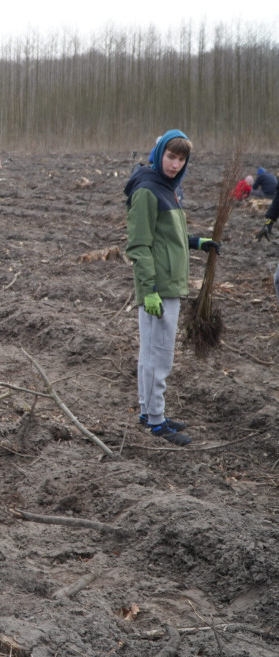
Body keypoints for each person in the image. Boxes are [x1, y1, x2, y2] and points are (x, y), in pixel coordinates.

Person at [125, 130, 220, 446]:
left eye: (181, 159)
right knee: (158, 356)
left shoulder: (168, 190)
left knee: (151, 353)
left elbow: (167, 236)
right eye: (171, 156)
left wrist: (196, 242)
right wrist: (149, 288)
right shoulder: (147, 190)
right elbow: (139, 245)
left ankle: (147, 413)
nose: (175, 164)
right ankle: (156, 423)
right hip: (159, 287)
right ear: (159, 153)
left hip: (168, 282)